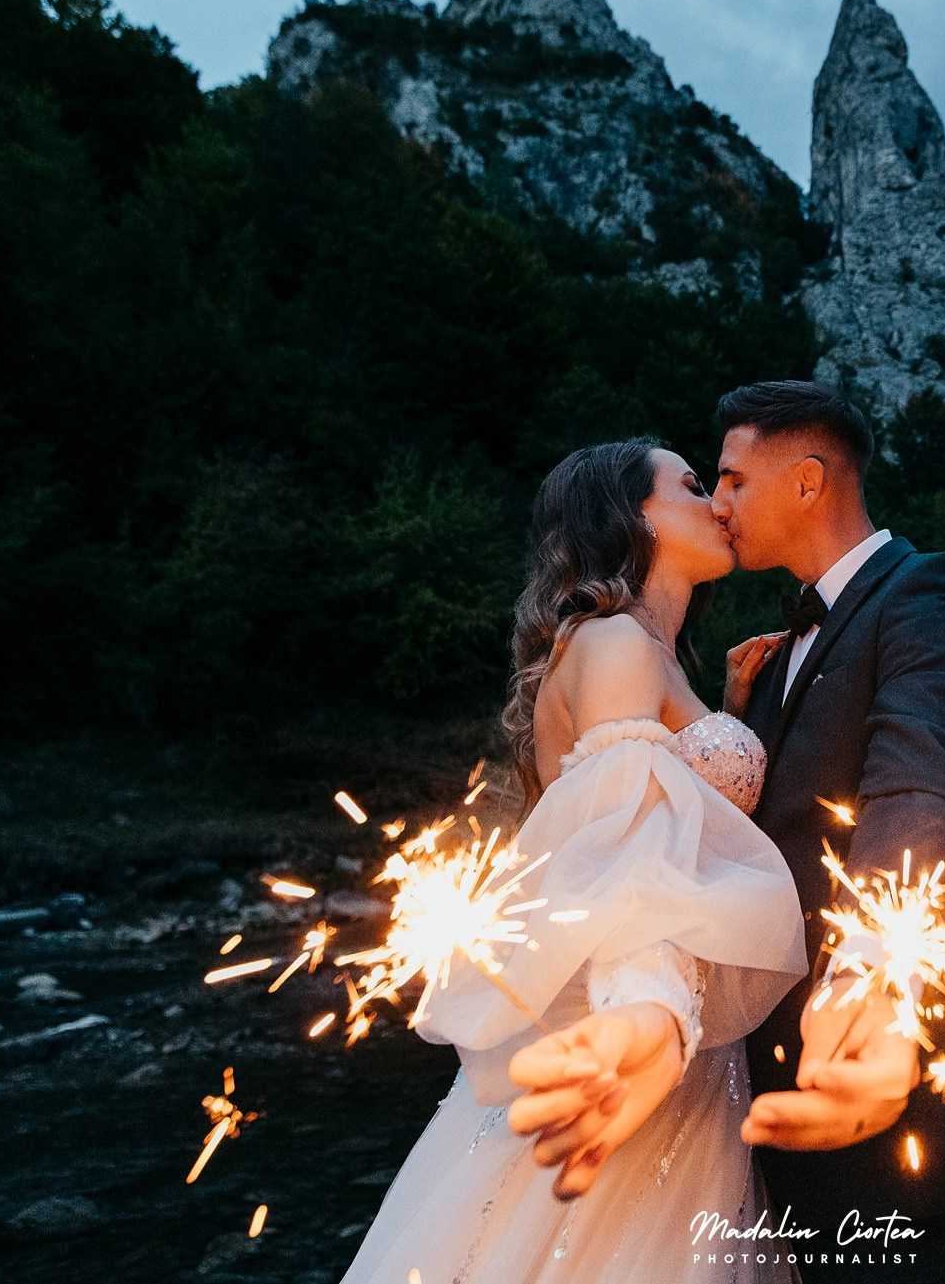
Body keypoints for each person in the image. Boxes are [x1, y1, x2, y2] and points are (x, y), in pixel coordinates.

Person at [336, 437, 810, 1284]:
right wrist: (652, 1013)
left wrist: (733, 711)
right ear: (631, 515)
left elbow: (672, 816)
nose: (720, 503)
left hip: (689, 1048)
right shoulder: (614, 642)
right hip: (641, 1027)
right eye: (696, 485)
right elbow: (628, 854)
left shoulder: (640, 653)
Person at [713, 381, 945, 1283]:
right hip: (791, 1105)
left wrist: (871, 965)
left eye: (734, 480)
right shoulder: (775, 657)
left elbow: (919, 779)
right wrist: (738, 722)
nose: (718, 504)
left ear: (810, 480)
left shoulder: (940, 591)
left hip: (917, 1115)